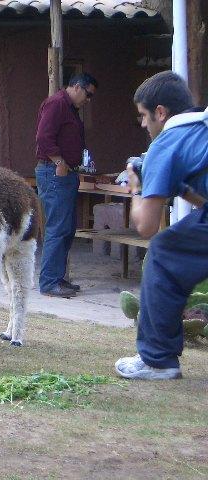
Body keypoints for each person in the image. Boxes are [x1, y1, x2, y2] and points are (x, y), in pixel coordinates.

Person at [115, 71, 208, 380]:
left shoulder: (165, 143)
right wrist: (178, 187)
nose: (143, 124)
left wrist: (136, 188)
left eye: (143, 116)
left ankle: (158, 360)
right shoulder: (200, 128)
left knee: (162, 253)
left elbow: (146, 226)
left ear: (160, 112)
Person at [35, 73, 98, 298]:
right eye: (88, 94)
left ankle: (57, 277)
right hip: (54, 173)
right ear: (78, 87)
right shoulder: (57, 103)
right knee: (57, 228)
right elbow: (43, 137)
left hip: (66, 173)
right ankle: (49, 282)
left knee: (67, 228)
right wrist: (59, 162)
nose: (88, 100)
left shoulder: (70, 108)